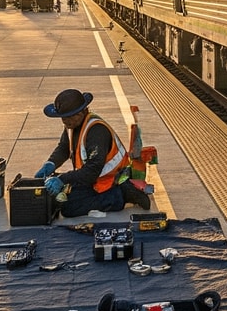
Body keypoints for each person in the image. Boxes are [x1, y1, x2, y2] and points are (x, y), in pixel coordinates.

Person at [36, 88, 153, 216]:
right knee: (58, 197)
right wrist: (50, 164)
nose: (65, 121)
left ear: (81, 113)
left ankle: (121, 195)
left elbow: (92, 171)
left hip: (111, 180)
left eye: (68, 117)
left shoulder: (96, 131)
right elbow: (64, 147)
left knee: (69, 208)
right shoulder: (72, 125)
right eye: (63, 117)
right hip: (92, 178)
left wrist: (62, 179)